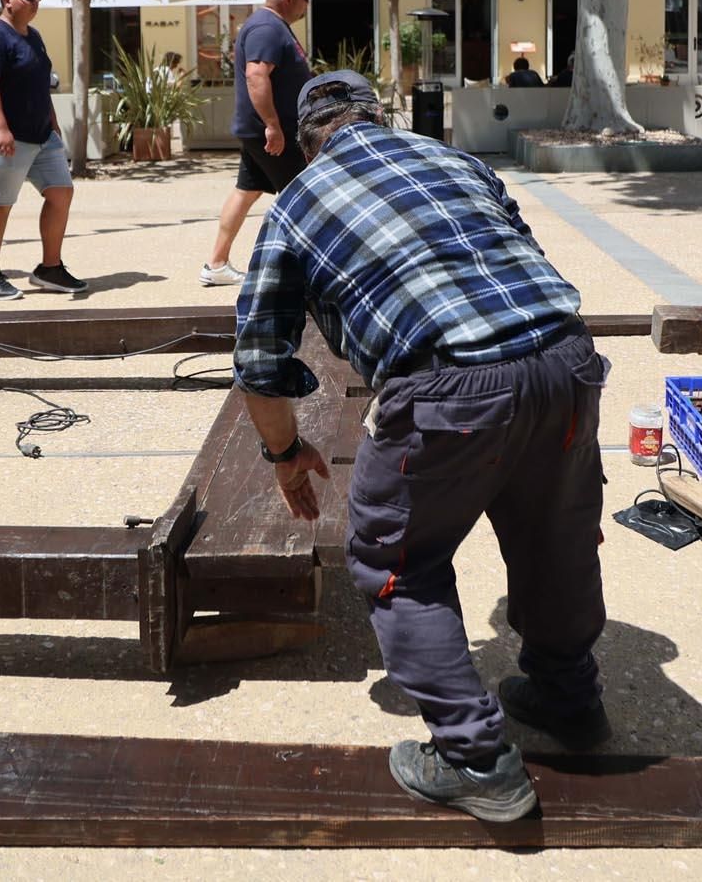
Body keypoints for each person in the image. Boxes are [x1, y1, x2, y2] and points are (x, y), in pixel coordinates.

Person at [233, 70, 607, 822]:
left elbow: (259, 363)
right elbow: (514, 257)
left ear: (310, 143)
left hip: (450, 391)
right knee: (553, 534)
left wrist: (286, 454)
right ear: (378, 116)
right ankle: (567, 696)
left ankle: (475, 759)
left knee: (396, 560)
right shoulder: (457, 161)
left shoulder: (296, 205)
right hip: (566, 361)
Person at [0, 0, 85, 299]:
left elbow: (39, 82)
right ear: (8, 0)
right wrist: (1, 128)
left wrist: (52, 121)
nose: (36, 2)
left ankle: (50, 268)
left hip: (41, 135)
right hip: (5, 136)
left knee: (61, 193)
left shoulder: (32, 36)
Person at [200, 0, 311, 287]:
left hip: (261, 130)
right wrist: (273, 126)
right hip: (273, 131)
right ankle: (299, 269)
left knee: (246, 192)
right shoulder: (267, 28)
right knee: (302, 197)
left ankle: (217, 264)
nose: (307, 5)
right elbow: (256, 76)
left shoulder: (270, 25)